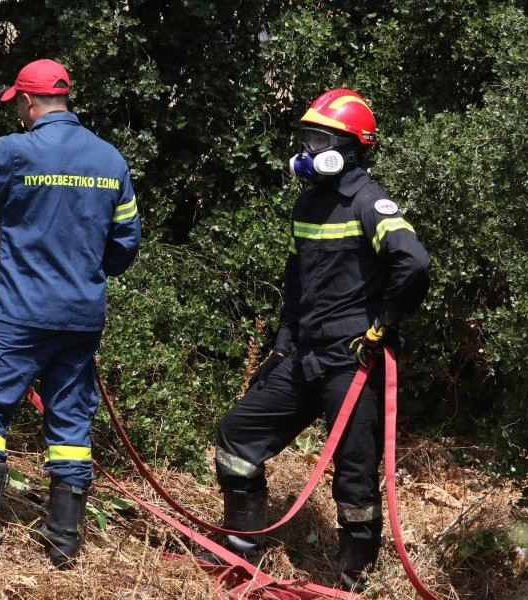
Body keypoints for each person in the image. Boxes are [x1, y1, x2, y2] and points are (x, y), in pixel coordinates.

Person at [0, 59, 141, 570]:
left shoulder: (17, 152)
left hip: (22, 314)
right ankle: (63, 541)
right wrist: (79, 272)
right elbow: (125, 246)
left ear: (29, 103)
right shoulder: (110, 160)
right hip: (82, 318)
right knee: (70, 418)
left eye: (17, 106)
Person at [204, 88, 430, 591]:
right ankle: (239, 553)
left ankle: (352, 579)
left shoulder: (370, 202)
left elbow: (413, 262)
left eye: (317, 139)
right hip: (304, 353)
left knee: (353, 474)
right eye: (305, 138)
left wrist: (383, 324)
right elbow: (295, 278)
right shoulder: (308, 203)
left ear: (348, 147)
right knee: (238, 436)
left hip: (355, 357)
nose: (306, 149)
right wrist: (284, 340)